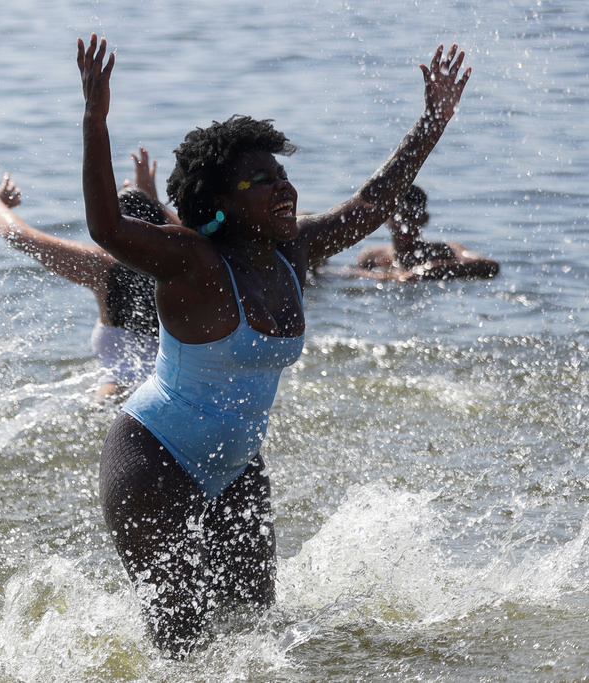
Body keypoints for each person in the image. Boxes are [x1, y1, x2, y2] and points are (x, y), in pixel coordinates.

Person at [78, 34, 470, 655]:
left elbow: (372, 201)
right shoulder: (193, 262)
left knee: (258, 637)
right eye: (260, 181)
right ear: (218, 203)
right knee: (183, 648)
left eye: (283, 175)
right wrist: (95, 120)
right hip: (154, 460)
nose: (282, 189)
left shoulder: (292, 250)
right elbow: (105, 226)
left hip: (237, 467)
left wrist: (430, 124)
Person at [0, 169, 169, 397]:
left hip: (117, 401)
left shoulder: (103, 267)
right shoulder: (187, 269)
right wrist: (155, 203)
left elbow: (20, 235)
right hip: (169, 396)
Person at [355, 184, 499, 280]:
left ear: (424, 219)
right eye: (398, 217)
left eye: (412, 216)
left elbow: (490, 265)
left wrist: (432, 269)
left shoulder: (446, 250)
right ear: (385, 219)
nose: (405, 224)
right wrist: (391, 277)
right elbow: (352, 277)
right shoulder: (372, 256)